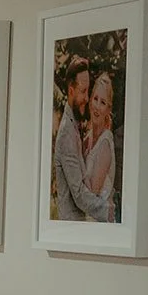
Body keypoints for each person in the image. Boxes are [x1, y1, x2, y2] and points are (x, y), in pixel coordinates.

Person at [53, 55, 100, 220]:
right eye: (83, 91)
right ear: (71, 91)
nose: (86, 99)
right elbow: (79, 195)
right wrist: (107, 210)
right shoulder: (67, 132)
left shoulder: (74, 125)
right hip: (70, 227)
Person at [83, 72, 117, 222]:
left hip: (101, 225)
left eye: (103, 102)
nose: (97, 106)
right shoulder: (87, 138)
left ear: (108, 110)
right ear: (90, 100)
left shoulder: (105, 143)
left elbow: (92, 193)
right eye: (95, 99)